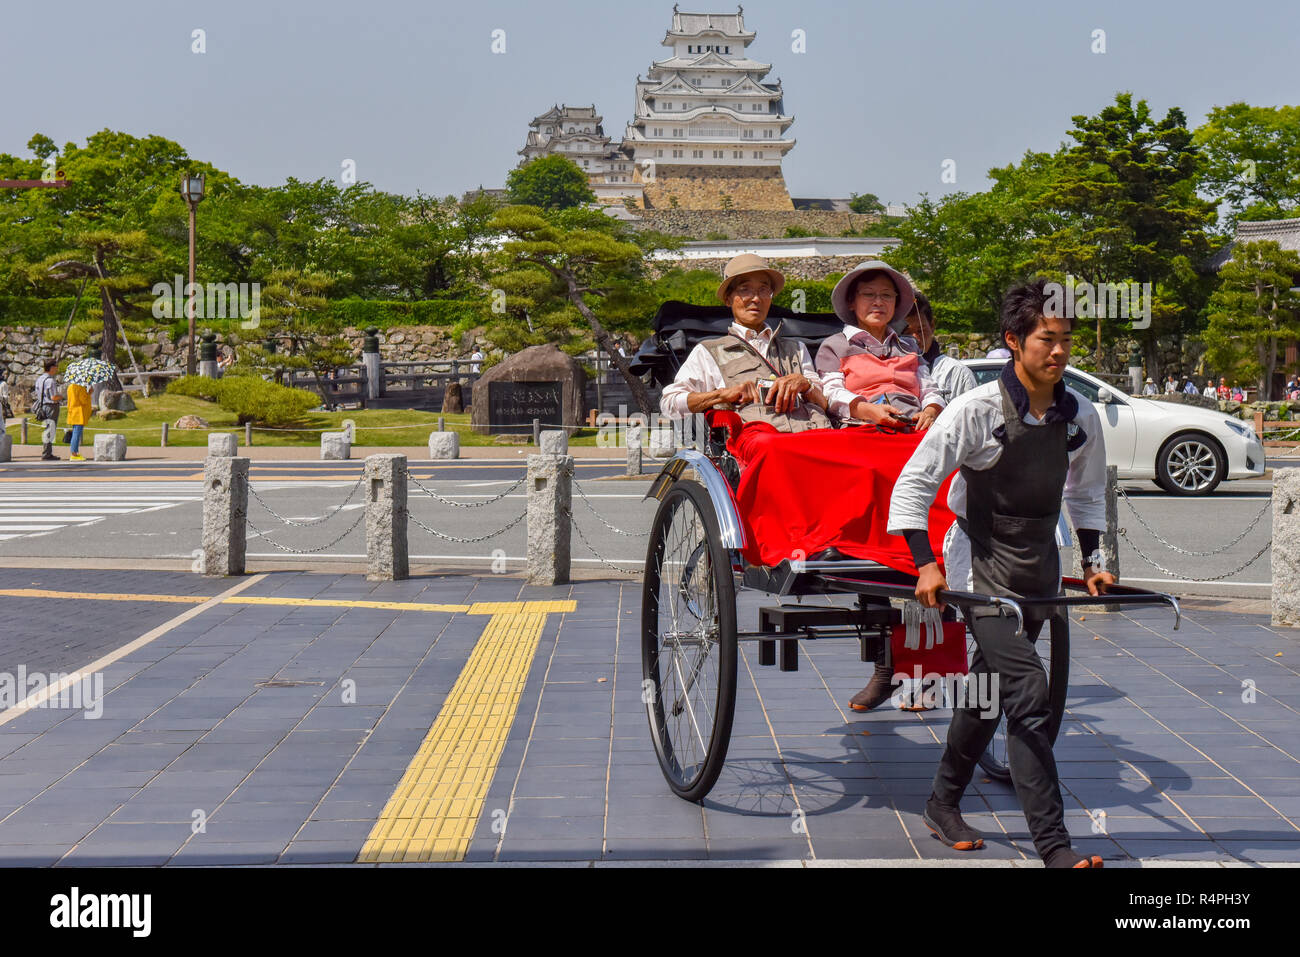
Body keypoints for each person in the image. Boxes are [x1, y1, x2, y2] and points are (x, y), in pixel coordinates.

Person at [887, 277, 1114, 869]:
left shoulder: (1078, 413)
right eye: (1046, 338)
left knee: (988, 690)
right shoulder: (977, 409)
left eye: (1066, 339)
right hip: (979, 561)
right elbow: (914, 483)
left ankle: (942, 801)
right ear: (1014, 341)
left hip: (1039, 562)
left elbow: (1087, 497)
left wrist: (1094, 564)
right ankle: (1054, 846)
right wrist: (926, 563)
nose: (1059, 351)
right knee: (1029, 694)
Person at [660, 253, 831, 429]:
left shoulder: (797, 349)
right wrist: (723, 395)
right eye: (745, 289)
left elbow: (825, 404)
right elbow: (669, 404)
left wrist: (806, 384)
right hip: (758, 445)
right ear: (728, 299)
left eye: (763, 290)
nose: (756, 298)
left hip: (812, 436)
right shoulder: (709, 352)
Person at [815, 261, 946, 431]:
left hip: (915, 429)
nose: (878, 302)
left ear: (895, 302)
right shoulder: (834, 346)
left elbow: (929, 390)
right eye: (869, 294)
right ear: (851, 302)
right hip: (863, 429)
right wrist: (867, 410)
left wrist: (929, 412)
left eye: (887, 295)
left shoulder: (909, 346)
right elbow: (832, 393)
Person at [904, 290, 978, 404]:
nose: (915, 339)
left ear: (932, 326)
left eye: (920, 331)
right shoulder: (888, 372)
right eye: (906, 333)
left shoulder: (956, 373)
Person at [33, 359, 62, 462]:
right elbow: (54, 397)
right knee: (50, 430)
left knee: (47, 429)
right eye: (56, 366)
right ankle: (47, 453)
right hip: (51, 406)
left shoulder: (39, 379)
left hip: (42, 405)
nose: (57, 369)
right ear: (52, 367)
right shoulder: (51, 381)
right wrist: (61, 396)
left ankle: (47, 452)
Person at [65, 381, 91, 462]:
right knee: (76, 433)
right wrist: (89, 393)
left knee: (75, 432)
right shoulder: (80, 387)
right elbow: (84, 400)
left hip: (72, 412)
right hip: (79, 413)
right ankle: (74, 454)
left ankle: (74, 452)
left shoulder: (70, 387)